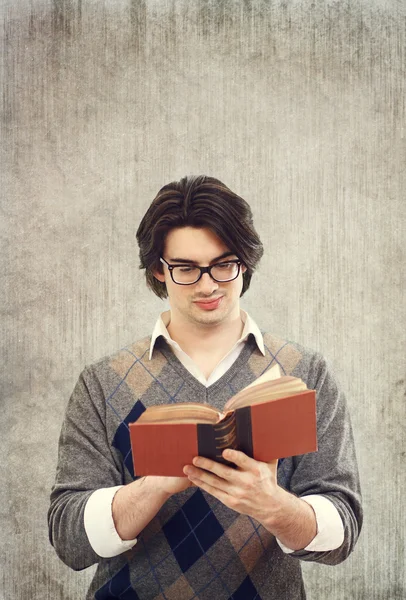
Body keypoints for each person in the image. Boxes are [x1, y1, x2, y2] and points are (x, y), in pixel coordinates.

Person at [48, 175, 363, 600]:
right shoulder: (102, 382)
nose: (208, 284)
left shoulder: (305, 373)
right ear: (158, 268)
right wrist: (153, 486)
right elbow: (69, 540)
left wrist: (272, 502)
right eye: (185, 268)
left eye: (223, 263)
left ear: (245, 263)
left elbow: (342, 532)